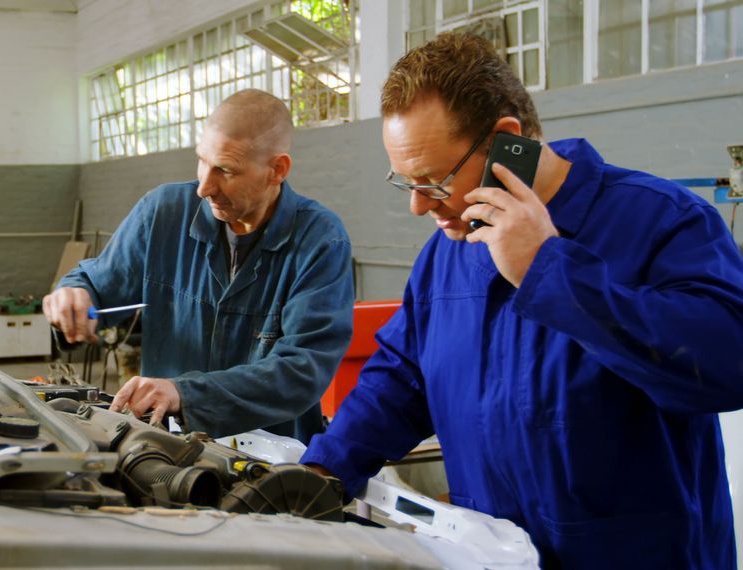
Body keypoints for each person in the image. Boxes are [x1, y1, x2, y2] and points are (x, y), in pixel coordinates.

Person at [300, 32, 743, 568]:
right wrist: (322, 472)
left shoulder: (660, 221)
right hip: (495, 554)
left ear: (507, 143)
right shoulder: (449, 252)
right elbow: (402, 378)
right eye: (406, 182)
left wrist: (548, 269)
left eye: (433, 181)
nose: (419, 206)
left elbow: (728, 363)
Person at [43, 89, 353, 444]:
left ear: (277, 170)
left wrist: (185, 394)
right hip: (164, 446)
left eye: (226, 170)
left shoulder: (320, 241)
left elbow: (302, 370)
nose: (205, 187)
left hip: (272, 457)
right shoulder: (163, 212)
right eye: (202, 161)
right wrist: (74, 295)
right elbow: (99, 283)